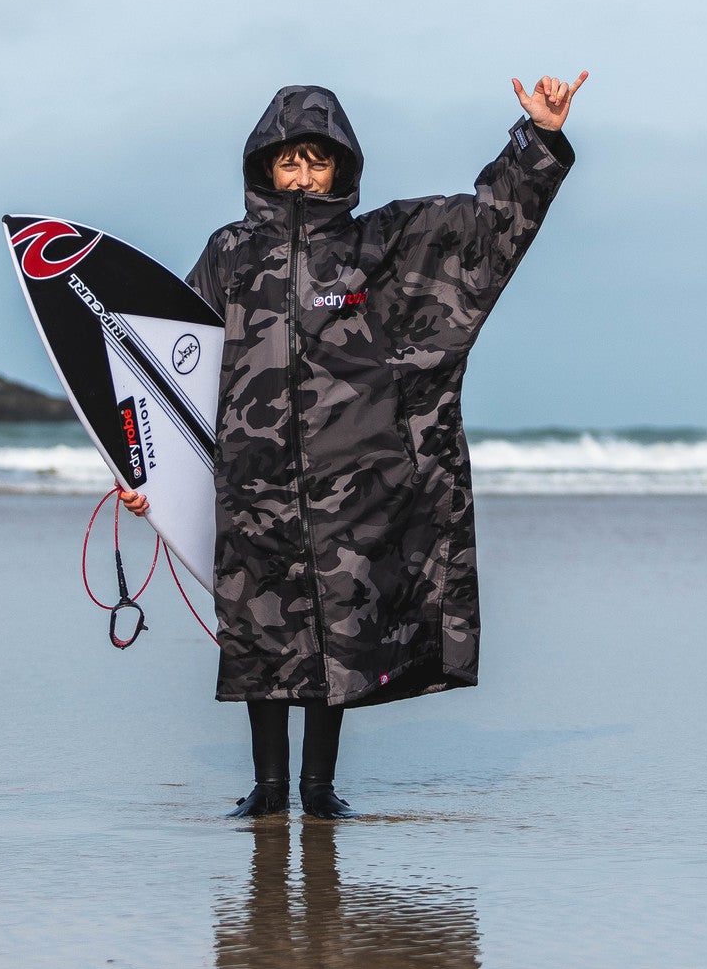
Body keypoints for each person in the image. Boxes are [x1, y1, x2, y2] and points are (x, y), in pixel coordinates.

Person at [120, 74, 585, 817]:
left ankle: (318, 786)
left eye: (318, 159)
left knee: (334, 631)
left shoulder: (376, 246)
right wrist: (142, 468)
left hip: (349, 485)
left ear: (342, 167)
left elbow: (482, 228)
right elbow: (168, 369)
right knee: (260, 636)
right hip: (253, 483)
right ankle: (269, 787)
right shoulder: (230, 254)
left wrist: (538, 142)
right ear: (264, 166)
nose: (303, 174)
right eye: (289, 160)